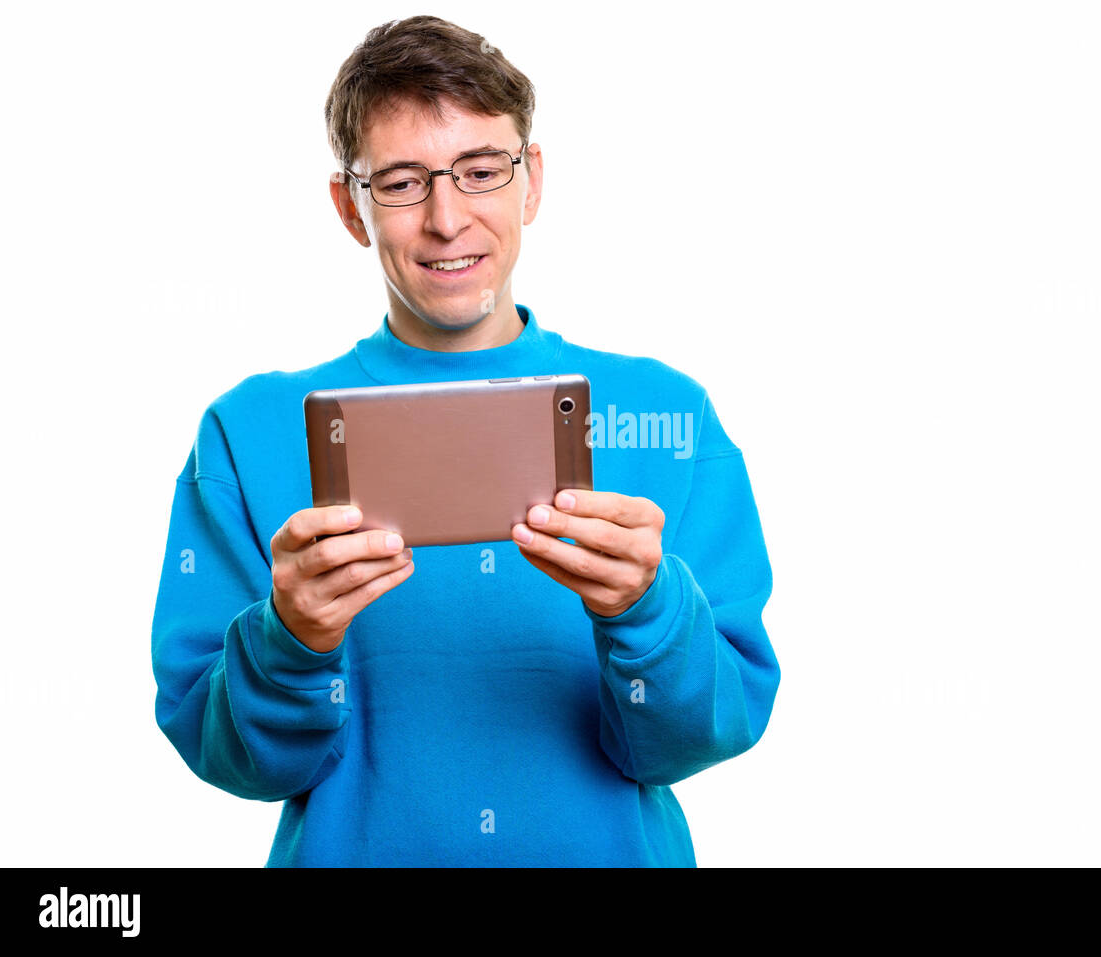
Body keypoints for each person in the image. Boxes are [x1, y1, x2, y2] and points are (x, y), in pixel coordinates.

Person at [151, 14, 780, 867]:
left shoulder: (667, 413)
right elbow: (234, 759)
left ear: (532, 182)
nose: (448, 219)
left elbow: (701, 737)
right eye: (404, 182)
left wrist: (648, 609)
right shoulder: (246, 430)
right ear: (349, 205)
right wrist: (289, 637)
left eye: (482, 170)